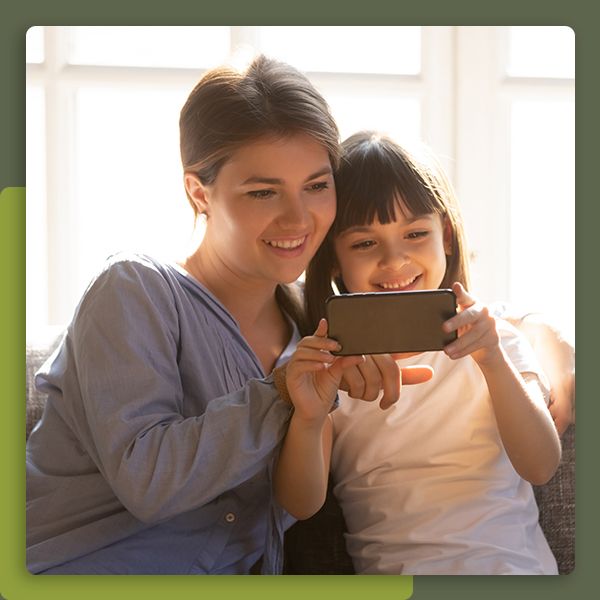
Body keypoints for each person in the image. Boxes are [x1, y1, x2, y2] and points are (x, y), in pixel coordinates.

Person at [25, 55, 379, 575]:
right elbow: (148, 482)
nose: (299, 218)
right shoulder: (133, 291)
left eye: (317, 185)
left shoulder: (316, 323)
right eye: (263, 192)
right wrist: (281, 392)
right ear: (199, 192)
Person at [277, 131, 563, 574]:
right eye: (364, 243)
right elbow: (300, 504)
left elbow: (542, 465)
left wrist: (493, 362)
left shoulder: (496, 339)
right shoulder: (332, 368)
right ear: (333, 258)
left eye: (414, 233)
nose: (395, 260)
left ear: (445, 236)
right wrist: (309, 417)